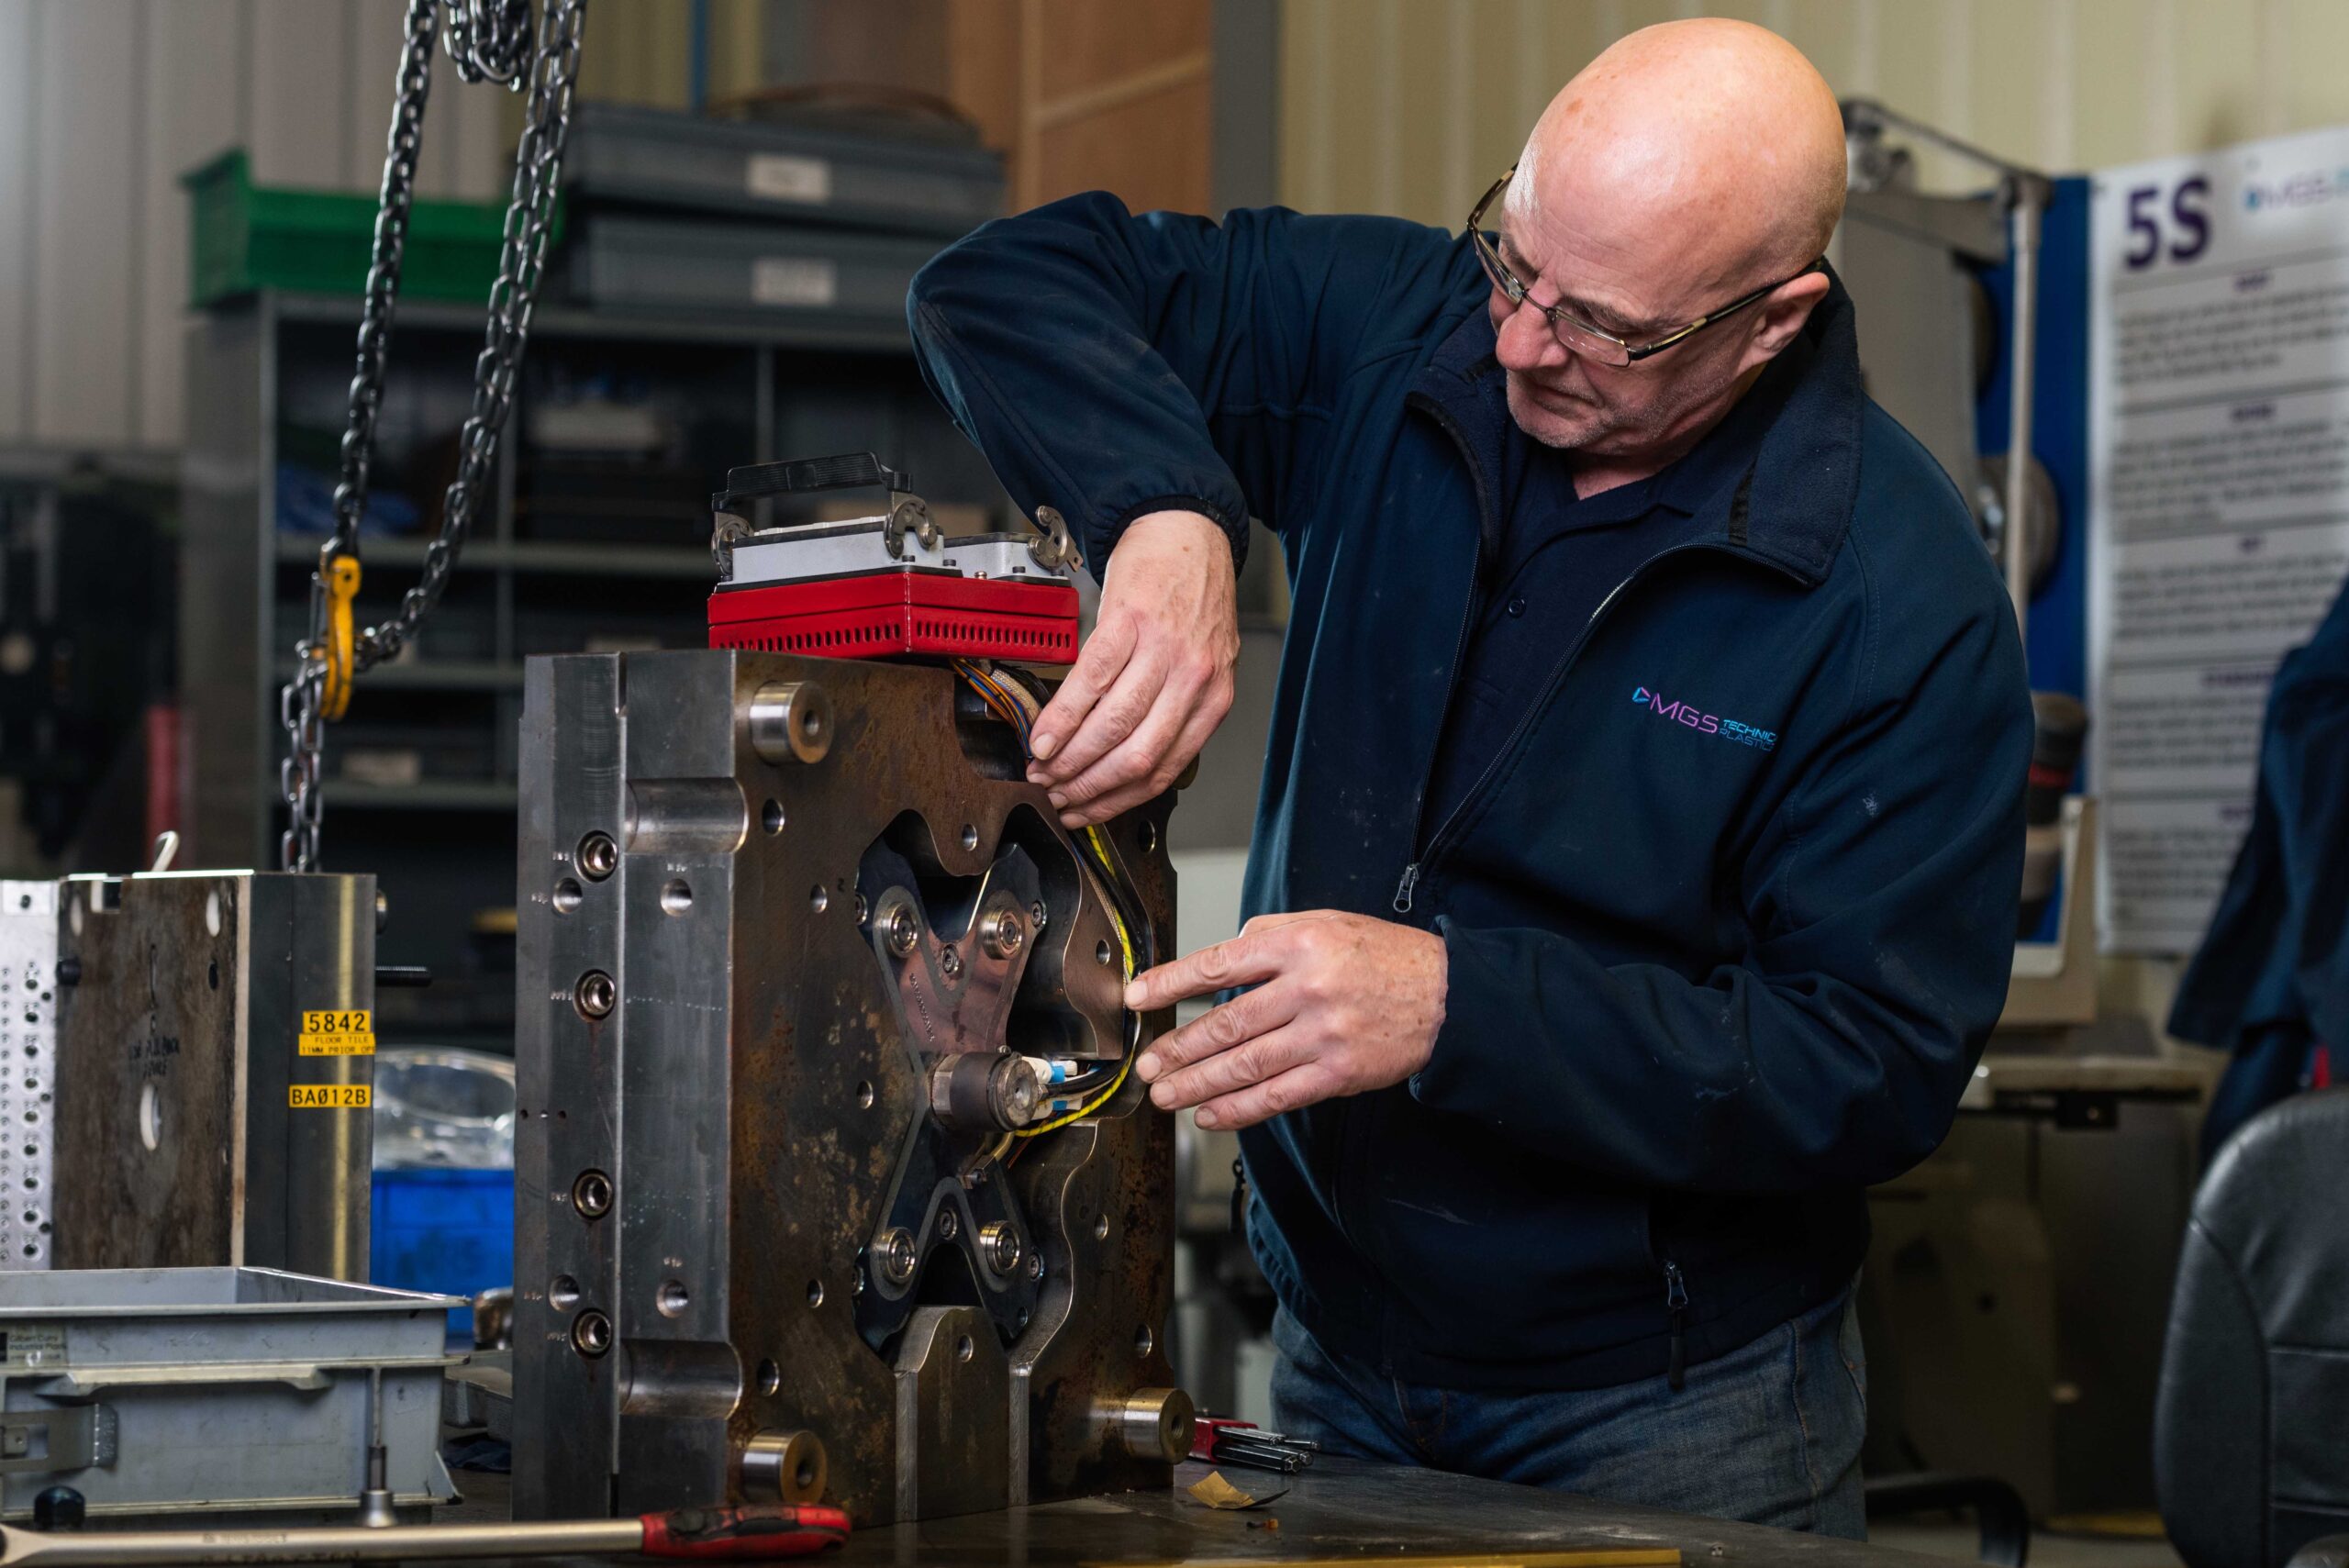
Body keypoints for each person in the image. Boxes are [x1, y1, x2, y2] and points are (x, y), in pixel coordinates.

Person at [907, 17, 2031, 1536]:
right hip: (1336, 1361)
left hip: (1667, 1409)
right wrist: (1165, 512)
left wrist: (1453, 1006)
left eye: (1603, 330)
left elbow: (1869, 1066)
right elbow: (992, 284)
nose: (1516, 344)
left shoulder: (1896, 602)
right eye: (1515, 263)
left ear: (1771, 324)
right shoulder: (1406, 335)